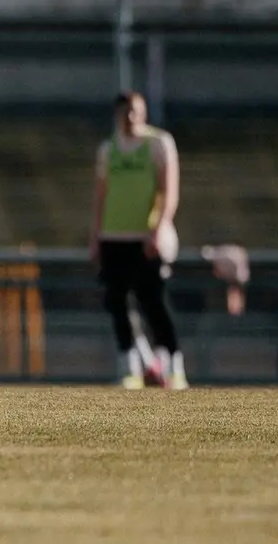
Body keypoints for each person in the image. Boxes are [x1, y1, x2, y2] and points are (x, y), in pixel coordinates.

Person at [91, 91, 186, 390]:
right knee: (116, 302)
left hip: (146, 236)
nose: (130, 118)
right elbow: (101, 195)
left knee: (153, 302)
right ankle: (132, 366)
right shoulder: (109, 150)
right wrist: (95, 235)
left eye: (135, 111)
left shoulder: (159, 143)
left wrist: (158, 228)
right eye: (125, 112)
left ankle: (174, 366)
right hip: (114, 236)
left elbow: (168, 191)